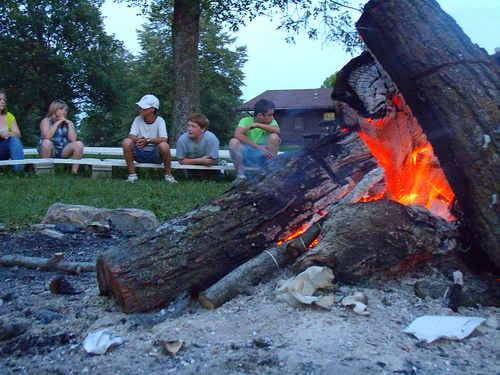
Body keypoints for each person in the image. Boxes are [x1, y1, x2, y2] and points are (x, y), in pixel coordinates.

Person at [122, 94, 177, 183]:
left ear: (152, 109)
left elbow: (164, 139)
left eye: (143, 108)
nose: (140, 109)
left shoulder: (160, 120)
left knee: (164, 146)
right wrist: (138, 140)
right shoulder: (137, 119)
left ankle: (168, 175)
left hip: (154, 154)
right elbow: (131, 136)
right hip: (140, 151)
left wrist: (147, 140)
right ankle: (132, 174)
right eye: (140, 107)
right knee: (126, 142)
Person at [228, 98, 280, 183]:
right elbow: (237, 134)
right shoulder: (245, 121)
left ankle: (267, 175)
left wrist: (257, 125)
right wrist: (258, 147)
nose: (272, 117)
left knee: (274, 137)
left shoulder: (271, 122)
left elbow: (277, 130)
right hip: (247, 156)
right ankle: (241, 176)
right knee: (233, 142)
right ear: (260, 115)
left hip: (264, 157)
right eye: (269, 115)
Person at [38, 99, 84, 174]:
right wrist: (57, 123)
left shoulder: (68, 123)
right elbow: (47, 136)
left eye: (65, 110)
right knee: (46, 142)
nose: (64, 111)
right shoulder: (46, 121)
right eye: (61, 109)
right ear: (54, 109)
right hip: (49, 149)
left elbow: (73, 139)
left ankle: (74, 172)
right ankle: (46, 171)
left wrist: (69, 124)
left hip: (62, 150)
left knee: (79, 144)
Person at [176, 113, 220, 180]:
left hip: (211, 171)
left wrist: (189, 161)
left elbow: (209, 162)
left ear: (203, 129)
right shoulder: (182, 139)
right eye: (188, 125)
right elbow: (181, 160)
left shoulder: (212, 139)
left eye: (193, 126)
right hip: (190, 170)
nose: (189, 129)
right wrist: (200, 160)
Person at [0, 90, 24, 172]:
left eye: (4, 100)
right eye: (0, 99)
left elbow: (18, 134)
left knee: (14, 139)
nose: (2, 102)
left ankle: (18, 171)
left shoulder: (9, 116)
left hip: (2, 149)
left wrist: (9, 133)